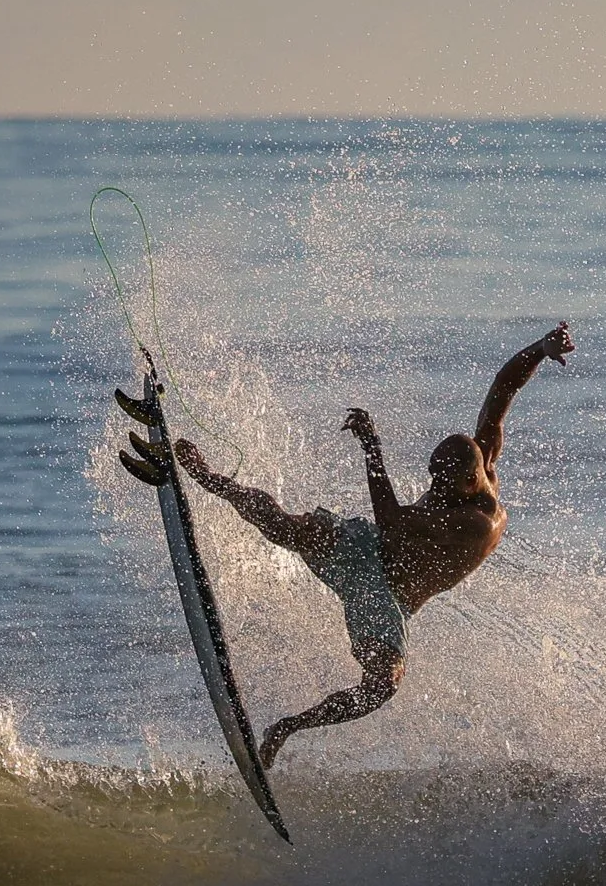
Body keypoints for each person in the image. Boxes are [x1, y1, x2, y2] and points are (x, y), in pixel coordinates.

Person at [174, 322, 574, 768]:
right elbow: (502, 389)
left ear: (468, 480)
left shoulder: (473, 525)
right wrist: (539, 348)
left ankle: (287, 727)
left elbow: (393, 523)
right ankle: (211, 480)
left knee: (382, 684)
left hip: (384, 595)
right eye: (431, 478)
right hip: (368, 545)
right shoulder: (479, 460)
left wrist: (372, 449)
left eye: (442, 484)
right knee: (292, 527)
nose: (433, 489)